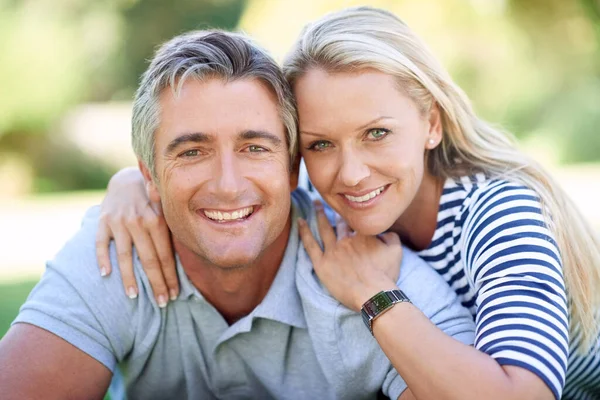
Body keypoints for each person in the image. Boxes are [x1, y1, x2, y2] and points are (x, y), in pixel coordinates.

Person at [97, 6, 600, 400]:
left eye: (377, 133)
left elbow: (523, 396)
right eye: (320, 144)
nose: (351, 172)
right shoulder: (327, 200)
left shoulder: (497, 213)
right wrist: (130, 184)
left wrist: (374, 295)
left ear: (431, 123)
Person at [0, 29, 476, 400]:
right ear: (148, 175)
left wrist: (379, 302)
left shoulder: (372, 276)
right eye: (191, 152)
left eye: (254, 148)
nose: (228, 185)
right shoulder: (119, 248)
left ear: (293, 168)